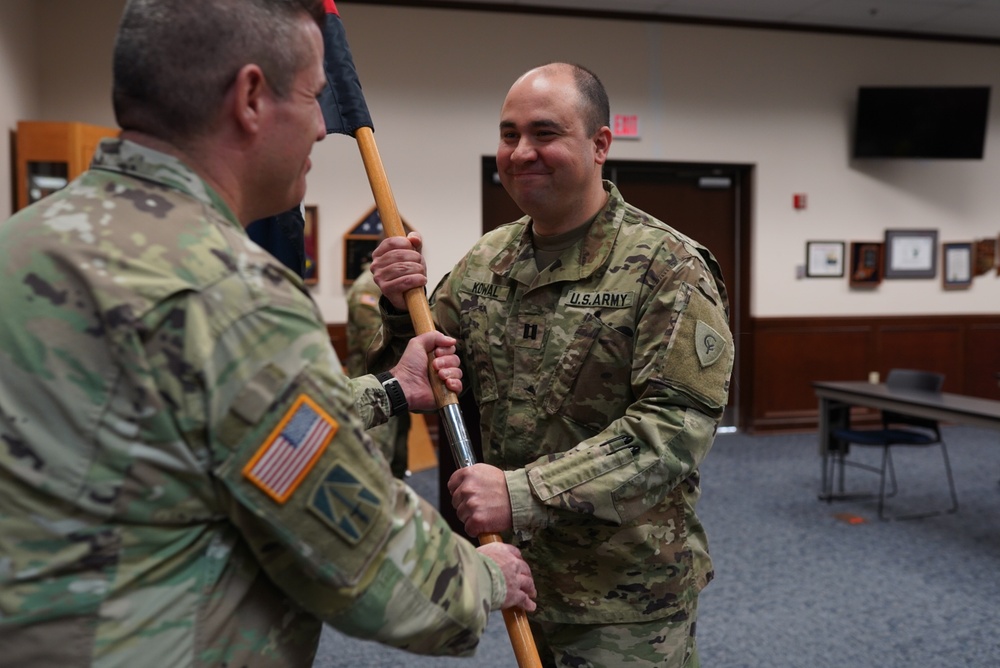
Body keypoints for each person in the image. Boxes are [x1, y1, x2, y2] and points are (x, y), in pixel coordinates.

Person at [0, 1, 535, 666]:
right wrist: (484, 578)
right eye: (314, 97)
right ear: (251, 97)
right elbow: (366, 561)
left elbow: (192, 424)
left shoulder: (22, 243)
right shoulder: (232, 294)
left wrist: (391, 392)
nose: (319, 127)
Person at [370, 62, 734, 667]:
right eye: (509, 134)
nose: (521, 152)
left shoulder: (666, 266)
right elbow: (421, 375)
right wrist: (399, 305)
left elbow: (674, 430)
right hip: (523, 578)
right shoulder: (489, 260)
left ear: (599, 145)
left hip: (625, 598)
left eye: (545, 133)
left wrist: (522, 491)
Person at [346, 256, 410, 479]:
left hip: (394, 382)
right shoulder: (368, 288)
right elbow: (372, 344)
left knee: (396, 459)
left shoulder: (388, 285)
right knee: (376, 465)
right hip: (372, 388)